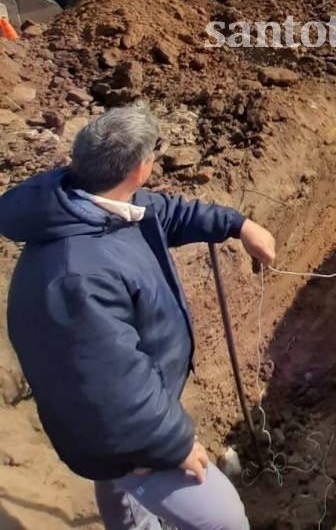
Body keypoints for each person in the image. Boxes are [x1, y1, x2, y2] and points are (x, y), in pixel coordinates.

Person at [0, 103, 276, 530]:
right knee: (224, 520)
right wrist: (173, 444)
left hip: (124, 418)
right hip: (117, 431)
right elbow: (111, 387)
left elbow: (167, 214)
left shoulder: (92, 204)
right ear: (139, 168)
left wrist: (239, 225)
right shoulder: (77, 277)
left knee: (121, 499)